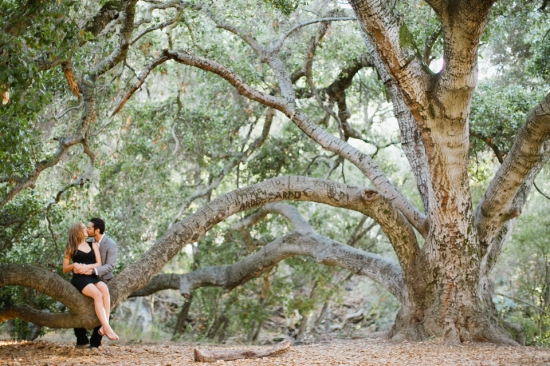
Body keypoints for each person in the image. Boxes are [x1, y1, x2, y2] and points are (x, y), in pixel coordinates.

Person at [67, 218, 119, 348]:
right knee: (79, 306)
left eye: (89, 228)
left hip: (102, 278)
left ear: (97, 230)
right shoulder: (88, 242)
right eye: (86, 228)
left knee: (103, 294)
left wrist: (92, 271)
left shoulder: (111, 244)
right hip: (84, 278)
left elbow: (110, 265)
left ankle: (97, 339)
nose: (87, 230)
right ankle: (81, 339)